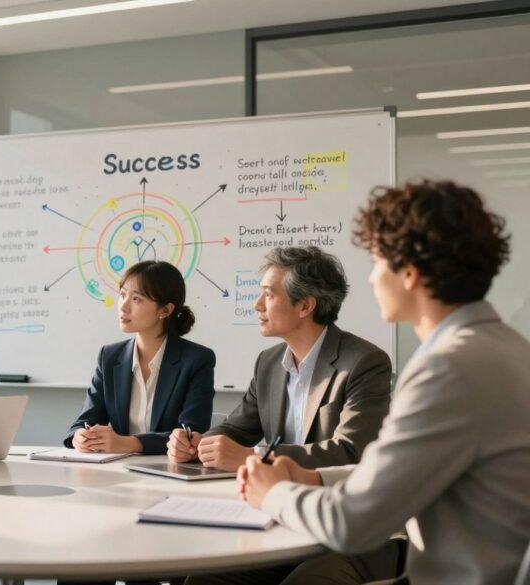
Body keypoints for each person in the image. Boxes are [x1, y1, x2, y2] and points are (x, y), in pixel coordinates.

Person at [240, 180, 530, 584]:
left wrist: (271, 493)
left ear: (409, 273)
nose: (373, 279)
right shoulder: (507, 350)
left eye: (377, 262)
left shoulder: (448, 370)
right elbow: (399, 471)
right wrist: (314, 477)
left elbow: (351, 524)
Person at [168, 246, 392, 471]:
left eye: (268, 294)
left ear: (305, 305)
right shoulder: (268, 362)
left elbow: (351, 451)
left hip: (330, 497)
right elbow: (236, 430)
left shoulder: (364, 362)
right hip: (272, 492)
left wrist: (255, 456)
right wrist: (197, 444)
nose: (257, 305)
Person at [65, 260, 215, 455]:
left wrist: (127, 443)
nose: (123, 306)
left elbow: (190, 435)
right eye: (122, 295)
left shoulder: (197, 360)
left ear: (165, 310)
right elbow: (84, 421)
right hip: (118, 472)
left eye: (136, 299)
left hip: (170, 472)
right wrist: (80, 437)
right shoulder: (109, 357)